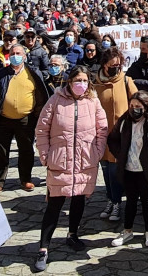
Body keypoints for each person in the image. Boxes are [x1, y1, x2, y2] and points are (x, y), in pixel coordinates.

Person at [33, 66, 108, 272]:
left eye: (85, 80)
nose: (81, 84)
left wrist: (97, 152)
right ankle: (43, 248)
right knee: (54, 205)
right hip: (60, 162)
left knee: (78, 200)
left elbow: (102, 129)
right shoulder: (55, 100)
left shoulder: (93, 101)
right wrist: (45, 155)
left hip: (85, 162)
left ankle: (72, 234)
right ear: (70, 81)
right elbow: (42, 129)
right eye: (78, 80)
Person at [107, 92, 148, 247]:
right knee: (130, 201)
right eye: (132, 106)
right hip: (129, 169)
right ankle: (127, 231)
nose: (134, 109)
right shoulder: (124, 121)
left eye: (138, 106)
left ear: (145, 107)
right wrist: (120, 154)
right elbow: (112, 139)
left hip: (146, 170)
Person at [0, 44, 50, 193]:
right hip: (3, 119)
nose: (15, 55)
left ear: (25, 56)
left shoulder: (33, 73)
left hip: (26, 119)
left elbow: (42, 95)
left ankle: (25, 179)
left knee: (26, 150)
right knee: (2, 151)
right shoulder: (0, 74)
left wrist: (39, 115)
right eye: (13, 53)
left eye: (18, 53)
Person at [93, 46, 138, 222]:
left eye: (119, 65)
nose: (116, 68)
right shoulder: (95, 83)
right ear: (104, 65)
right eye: (112, 65)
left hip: (120, 135)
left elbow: (137, 103)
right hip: (100, 134)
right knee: (105, 170)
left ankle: (117, 202)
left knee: (115, 171)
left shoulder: (126, 81)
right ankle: (110, 199)